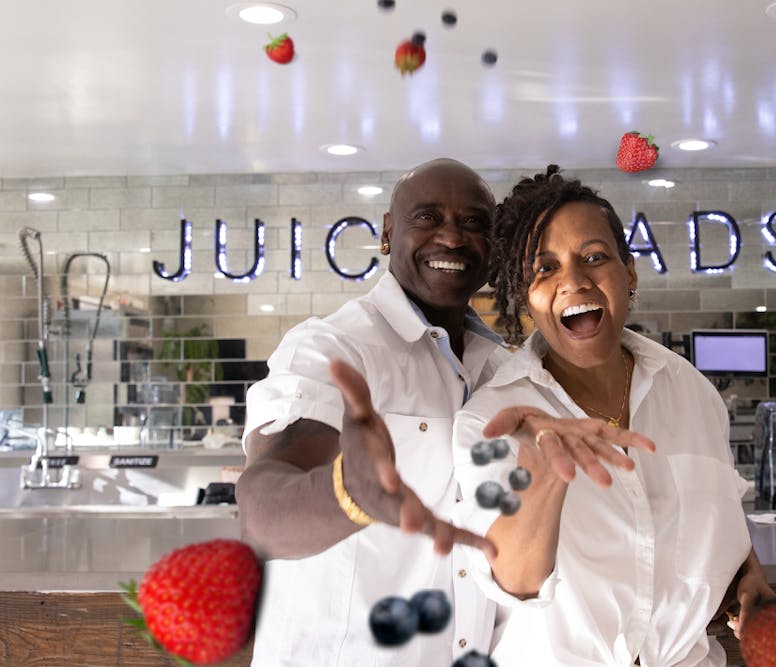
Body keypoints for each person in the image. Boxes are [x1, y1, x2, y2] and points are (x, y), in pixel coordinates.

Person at [235, 158, 650, 666]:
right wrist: (348, 493)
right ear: (389, 233)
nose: (452, 238)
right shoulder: (333, 348)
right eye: (427, 217)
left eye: (474, 222)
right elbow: (261, 510)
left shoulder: (506, 372)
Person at [452, 165, 776, 666]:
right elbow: (512, 583)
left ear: (629, 272)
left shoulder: (691, 391)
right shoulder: (494, 417)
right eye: (545, 268)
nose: (573, 280)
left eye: (594, 258)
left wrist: (745, 575)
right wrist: (544, 479)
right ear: (526, 297)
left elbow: (709, 512)